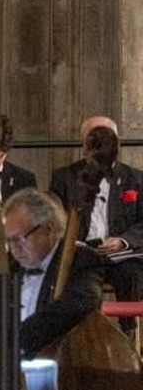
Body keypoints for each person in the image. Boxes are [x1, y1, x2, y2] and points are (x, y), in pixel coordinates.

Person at [48, 122, 143, 309]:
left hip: (121, 253)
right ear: (85, 149)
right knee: (85, 288)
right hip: (84, 253)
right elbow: (53, 219)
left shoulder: (136, 179)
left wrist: (122, 241)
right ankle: (85, 331)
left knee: (132, 276)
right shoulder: (65, 177)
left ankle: (128, 332)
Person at [3, 189, 106, 355]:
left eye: (20, 238)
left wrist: (17, 339)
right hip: (10, 367)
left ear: (48, 229)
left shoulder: (81, 259)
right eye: (9, 240)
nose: (15, 248)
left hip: (61, 368)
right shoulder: (9, 265)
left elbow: (78, 304)